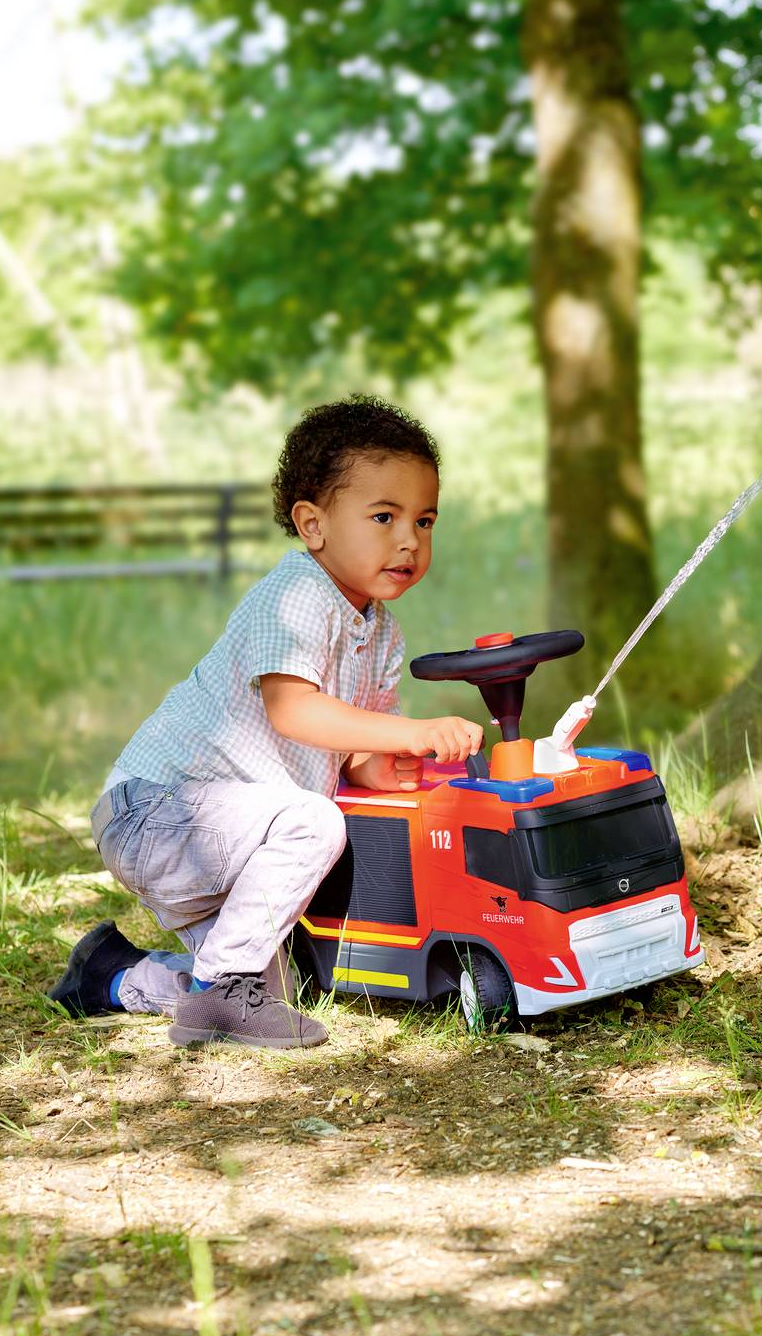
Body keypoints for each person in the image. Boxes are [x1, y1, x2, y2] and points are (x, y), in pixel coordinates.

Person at [45, 395, 483, 1049]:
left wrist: (385, 764)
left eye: (424, 521)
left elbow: (351, 747)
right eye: (384, 516)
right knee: (314, 821)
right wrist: (409, 732)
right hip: (158, 813)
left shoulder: (382, 634)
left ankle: (113, 975)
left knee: (279, 984)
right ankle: (223, 987)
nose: (408, 541)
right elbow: (294, 709)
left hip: (229, 832)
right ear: (313, 524)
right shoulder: (297, 595)